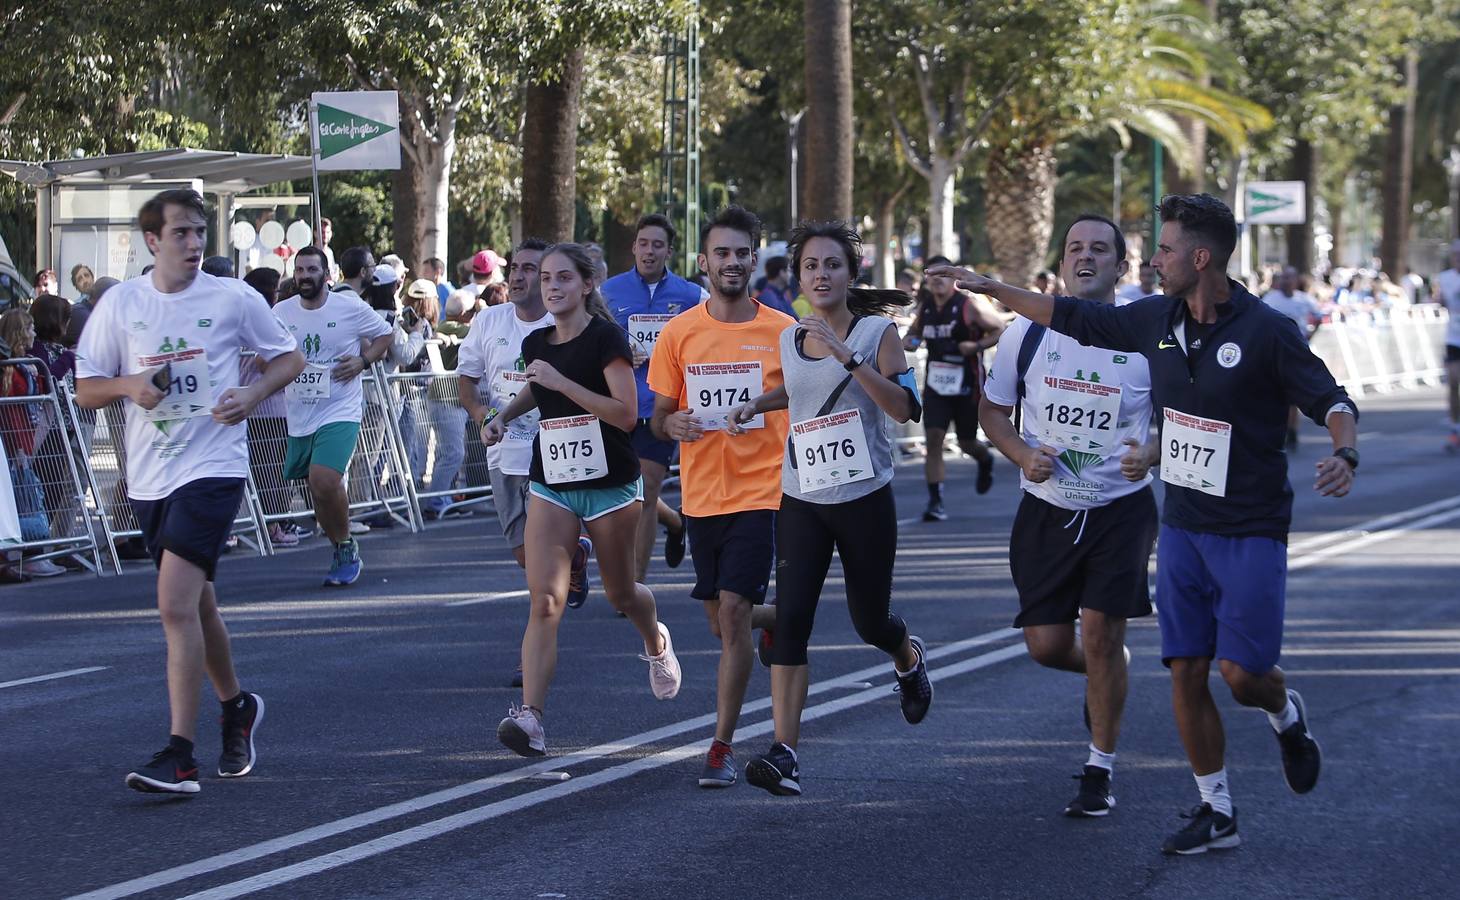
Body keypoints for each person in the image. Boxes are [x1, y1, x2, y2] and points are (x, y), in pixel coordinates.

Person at [929, 193, 1357, 855]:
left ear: (1201, 256)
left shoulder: (1266, 331)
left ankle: (1283, 711)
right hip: (1181, 522)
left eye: (1164, 248)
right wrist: (997, 290)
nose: (1156, 259)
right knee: (1186, 669)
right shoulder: (1154, 319)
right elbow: (1067, 313)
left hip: (1249, 524)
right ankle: (1216, 809)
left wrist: (1344, 449)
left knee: (1241, 675)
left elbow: (1331, 398)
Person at [75, 188, 305, 794]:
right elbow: (86, 388)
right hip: (150, 477)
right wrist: (131, 384)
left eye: (200, 232)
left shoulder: (233, 297)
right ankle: (237, 706)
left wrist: (252, 395)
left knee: (174, 603)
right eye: (181, 233)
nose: (195, 243)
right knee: (198, 603)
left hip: (213, 469)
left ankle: (180, 755)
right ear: (152, 241)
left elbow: (289, 357)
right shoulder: (121, 304)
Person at [732, 222, 933, 797]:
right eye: (811, 266)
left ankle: (907, 656)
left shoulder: (877, 333)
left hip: (864, 499)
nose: (821, 275)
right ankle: (785, 752)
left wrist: (850, 358)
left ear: (852, 274)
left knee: (871, 621)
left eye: (832, 265)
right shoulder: (789, 337)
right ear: (798, 276)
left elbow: (904, 410)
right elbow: (799, 391)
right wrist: (756, 404)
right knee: (791, 621)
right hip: (801, 497)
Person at [979, 214, 1159, 818]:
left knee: (1102, 635)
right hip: (1047, 509)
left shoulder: (1150, 339)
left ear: (1122, 266)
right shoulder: (1024, 335)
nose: (1087, 257)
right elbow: (993, 412)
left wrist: (1152, 454)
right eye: (1075, 248)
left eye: (1100, 249)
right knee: (1047, 645)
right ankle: (1108, 671)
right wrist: (1024, 454)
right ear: (1061, 264)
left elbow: (1187, 416)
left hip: (1120, 511)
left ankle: (1098, 768)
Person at [484, 243, 682, 756]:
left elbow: (623, 413)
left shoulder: (606, 338)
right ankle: (531, 719)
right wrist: (504, 415)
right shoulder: (536, 343)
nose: (550, 286)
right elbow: (538, 389)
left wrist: (561, 383)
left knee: (621, 594)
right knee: (546, 600)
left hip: (610, 483)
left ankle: (655, 640)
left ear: (587, 284)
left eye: (563, 278)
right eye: (544, 277)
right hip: (551, 480)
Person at [648, 207, 791, 787]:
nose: (732, 263)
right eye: (721, 254)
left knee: (731, 615)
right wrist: (673, 426)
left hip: (764, 490)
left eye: (741, 253)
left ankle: (720, 745)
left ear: (754, 260)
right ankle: (784, 618)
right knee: (720, 622)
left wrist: (763, 405)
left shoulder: (785, 331)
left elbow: (809, 396)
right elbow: (658, 416)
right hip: (703, 496)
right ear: (703, 263)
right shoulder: (680, 333)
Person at [459, 239, 592, 688]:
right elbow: (467, 381)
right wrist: (483, 416)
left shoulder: (566, 327)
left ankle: (530, 658)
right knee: (523, 555)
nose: (517, 277)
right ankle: (575, 555)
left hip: (553, 453)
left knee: (538, 565)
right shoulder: (489, 321)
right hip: (503, 454)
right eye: (514, 268)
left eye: (529, 269)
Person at [272, 246, 393, 584]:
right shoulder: (281, 311)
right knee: (318, 491)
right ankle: (338, 542)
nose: (304, 276)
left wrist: (363, 361)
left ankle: (346, 547)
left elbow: (386, 334)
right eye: (299, 270)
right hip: (300, 412)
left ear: (326, 275)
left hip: (340, 408)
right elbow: (264, 351)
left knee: (324, 478)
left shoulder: (349, 307)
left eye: (312, 270)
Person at [601, 214, 697, 585]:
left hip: (661, 407)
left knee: (643, 492)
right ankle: (674, 521)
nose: (649, 251)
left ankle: (633, 586)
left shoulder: (690, 296)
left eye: (658, 244)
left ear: (669, 251)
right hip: (616, 404)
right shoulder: (610, 292)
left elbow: (705, 338)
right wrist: (620, 349)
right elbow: (591, 336)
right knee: (623, 491)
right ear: (634, 247)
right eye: (643, 243)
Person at [904, 255, 1003, 520]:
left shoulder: (968, 306)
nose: (937, 280)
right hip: (937, 385)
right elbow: (912, 335)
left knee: (967, 442)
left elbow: (999, 328)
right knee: (934, 439)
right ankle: (935, 501)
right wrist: (909, 340)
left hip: (967, 385)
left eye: (943, 275)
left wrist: (977, 346)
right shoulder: (925, 308)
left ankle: (985, 460)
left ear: (954, 279)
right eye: (932, 275)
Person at [0, 308, 67, 579]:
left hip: (27, 435)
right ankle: (23, 555)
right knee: (21, 499)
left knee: (26, 496)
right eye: (28, 329)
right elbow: (12, 406)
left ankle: (29, 554)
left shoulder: (27, 363)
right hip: (15, 436)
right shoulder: (10, 368)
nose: (34, 333)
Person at [1262, 266, 1323, 451]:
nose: (1286, 281)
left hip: (1297, 353)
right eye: (1283, 278)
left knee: (1291, 396)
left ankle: (1292, 431)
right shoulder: (1270, 299)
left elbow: (1319, 317)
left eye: (1290, 277)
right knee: (1273, 393)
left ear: (1296, 280)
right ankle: (1276, 429)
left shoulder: (1304, 300)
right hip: (1273, 352)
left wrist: (1310, 336)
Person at [1432, 240, 1460, 453]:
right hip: (1454, 337)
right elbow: (1441, 301)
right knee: (1453, 381)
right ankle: (1455, 427)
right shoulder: (1445, 278)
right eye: (1455, 256)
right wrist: (1439, 299)